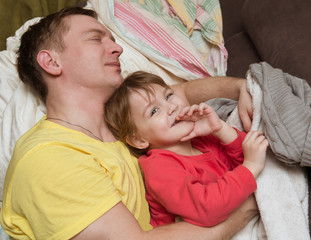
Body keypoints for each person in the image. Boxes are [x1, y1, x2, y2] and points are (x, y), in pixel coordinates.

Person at [1, 6, 257, 240]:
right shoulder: (48, 158)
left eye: (112, 39)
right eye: (95, 38)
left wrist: (239, 87)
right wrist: (250, 205)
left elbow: (183, 95)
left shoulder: (123, 118)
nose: (117, 48)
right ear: (52, 62)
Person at [104, 71, 268, 228]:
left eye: (168, 96)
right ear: (139, 140)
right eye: (154, 111)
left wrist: (220, 129)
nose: (172, 107)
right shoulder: (159, 168)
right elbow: (207, 209)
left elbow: (253, 156)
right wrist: (251, 167)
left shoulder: (201, 138)